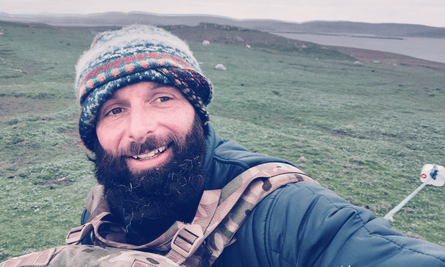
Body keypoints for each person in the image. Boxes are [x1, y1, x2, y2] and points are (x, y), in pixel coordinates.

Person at [68, 25, 445, 266]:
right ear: (93, 135)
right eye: (114, 110)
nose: (140, 129)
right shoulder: (103, 204)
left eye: (162, 98)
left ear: (198, 113)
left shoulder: (281, 211)